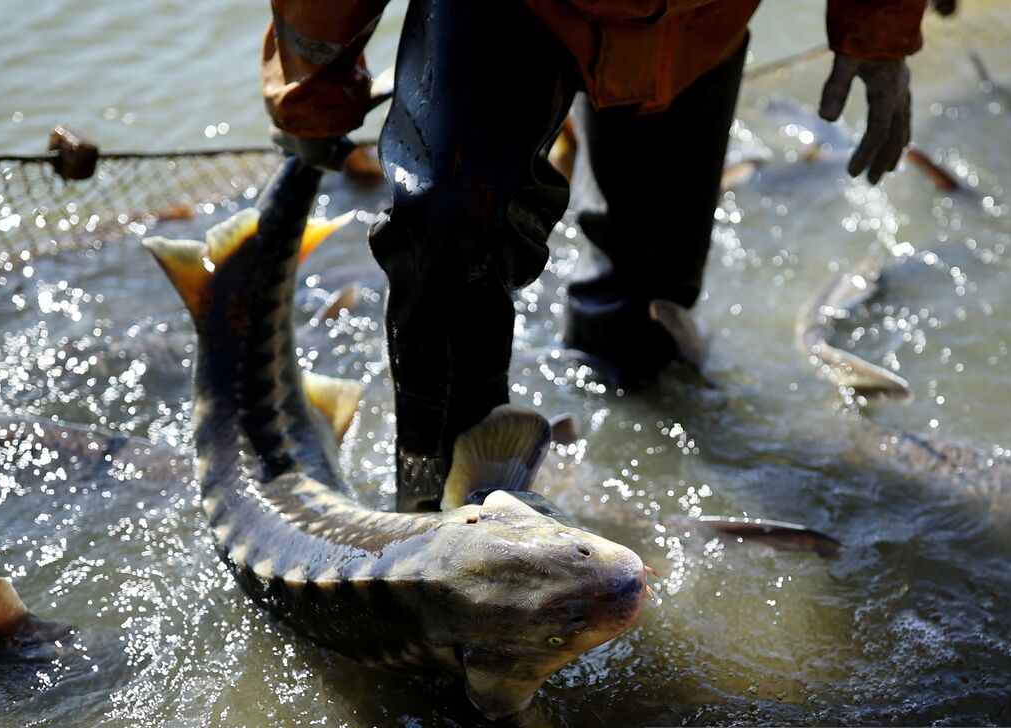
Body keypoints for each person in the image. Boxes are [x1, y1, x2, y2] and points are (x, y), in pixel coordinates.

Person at [262, 0, 935, 511]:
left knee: (643, 316)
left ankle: (610, 393)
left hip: (700, 25)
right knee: (445, 236)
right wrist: (314, 90)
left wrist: (879, 32)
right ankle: (435, 518)